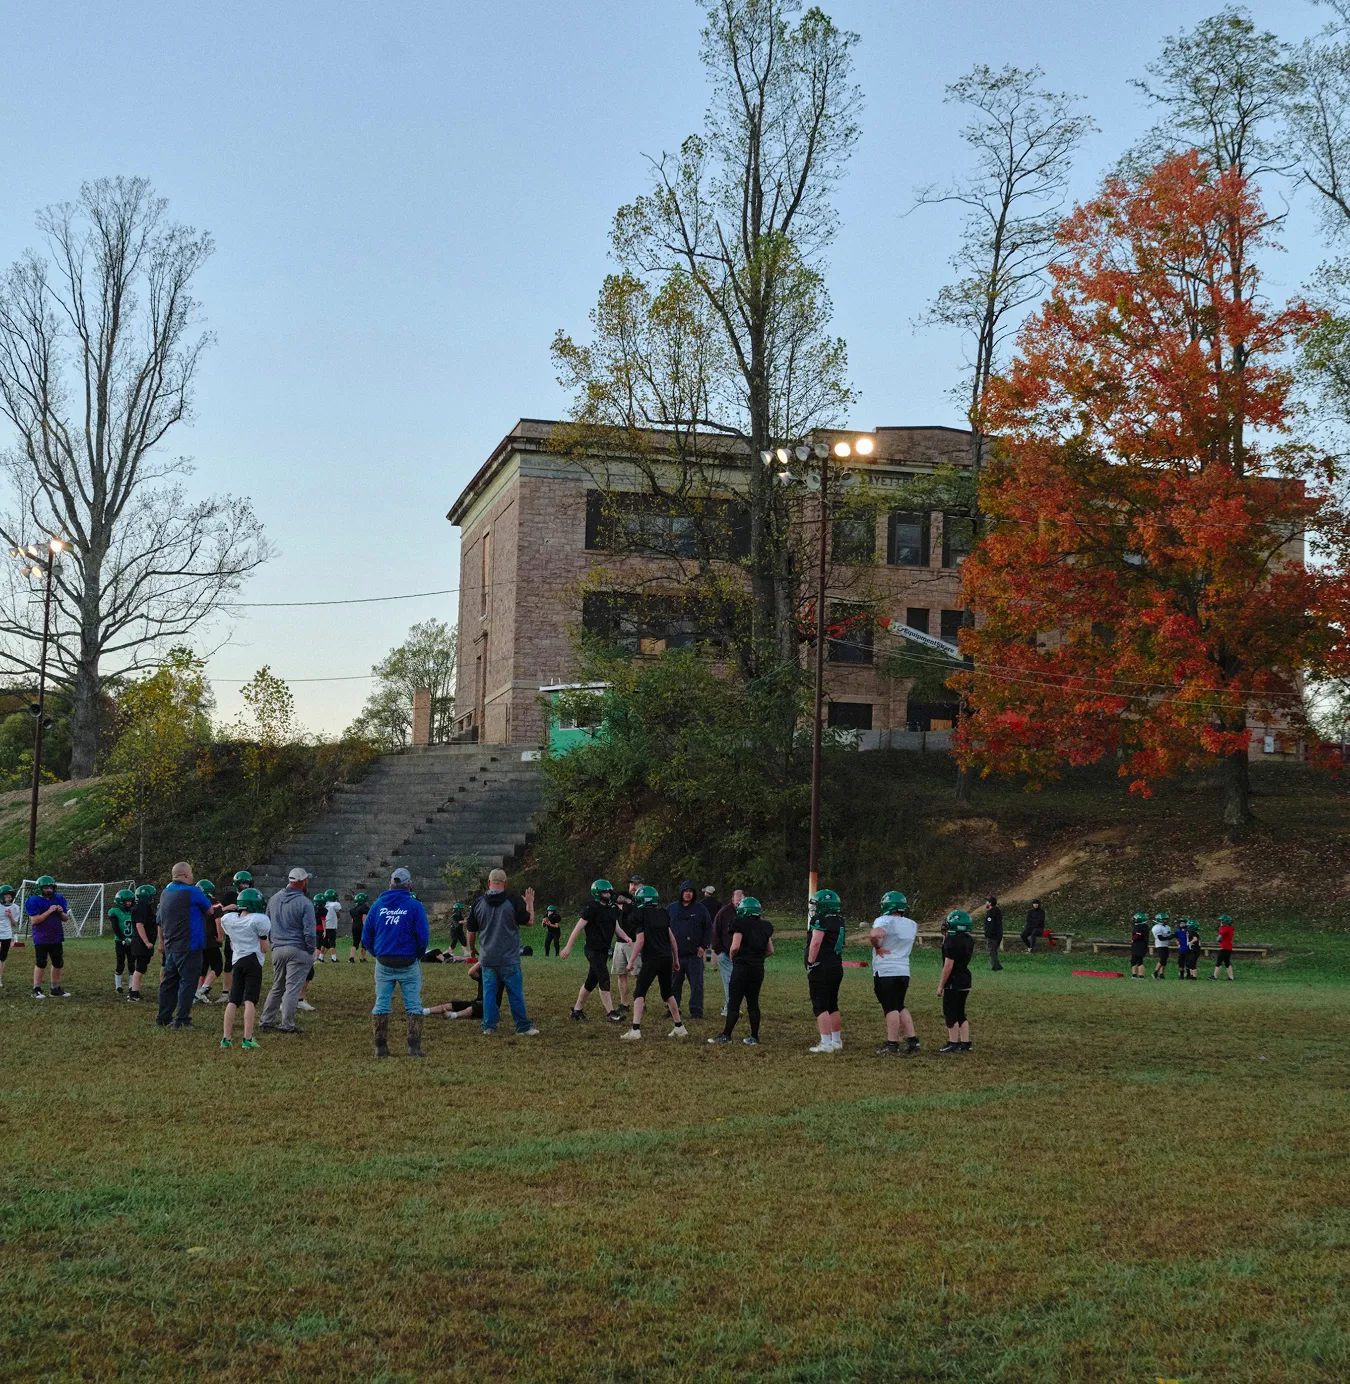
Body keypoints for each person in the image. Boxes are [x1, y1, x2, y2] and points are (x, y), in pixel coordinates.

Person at [361, 867, 431, 1057]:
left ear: (390, 884)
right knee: (414, 1005)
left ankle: (380, 1048)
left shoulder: (377, 906)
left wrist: (377, 953)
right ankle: (414, 1048)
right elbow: (423, 936)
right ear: (409, 885)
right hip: (408, 962)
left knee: (381, 1004)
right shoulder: (415, 906)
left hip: (383, 962)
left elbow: (366, 935)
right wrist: (417, 955)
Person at [467, 868, 538, 1036]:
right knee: (515, 994)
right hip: (509, 958)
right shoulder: (512, 900)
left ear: (489, 882)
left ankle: (489, 1026)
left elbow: (471, 931)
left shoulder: (478, 903)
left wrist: (471, 949)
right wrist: (530, 903)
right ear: (505, 883)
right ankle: (522, 1027)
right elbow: (529, 922)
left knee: (489, 994)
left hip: (488, 959)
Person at [621, 884, 686, 1041]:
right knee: (667, 993)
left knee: (639, 992)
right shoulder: (662, 913)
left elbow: (640, 940)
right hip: (666, 957)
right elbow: (672, 939)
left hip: (652, 958)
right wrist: (676, 959)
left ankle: (635, 1029)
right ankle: (679, 1026)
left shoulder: (640, 914)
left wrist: (630, 961)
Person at [708, 895, 774, 1046]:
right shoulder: (765, 926)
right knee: (753, 1002)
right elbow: (770, 950)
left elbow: (735, 946)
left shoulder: (739, 923)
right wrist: (756, 957)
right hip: (758, 969)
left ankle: (726, 1035)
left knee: (734, 1002)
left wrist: (733, 957)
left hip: (742, 968)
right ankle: (754, 1037)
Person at [561, 880, 629, 1022]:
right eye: (604, 892)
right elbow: (578, 928)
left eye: (608, 892)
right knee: (604, 978)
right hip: (593, 950)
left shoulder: (611, 908)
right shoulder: (591, 908)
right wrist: (568, 947)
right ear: (597, 893)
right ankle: (610, 1013)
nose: (607, 894)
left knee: (590, 982)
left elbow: (616, 927)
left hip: (603, 950)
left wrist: (626, 937)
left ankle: (577, 1011)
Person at [259, 867, 317, 1035]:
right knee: (292, 988)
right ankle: (287, 1024)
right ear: (303, 881)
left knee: (277, 986)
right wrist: (310, 950)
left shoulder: (275, 898)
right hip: (298, 949)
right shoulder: (305, 902)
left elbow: (266, 922)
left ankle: (266, 1020)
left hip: (278, 948)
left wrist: (274, 942)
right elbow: (309, 931)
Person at [155, 863, 213, 1028]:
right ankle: (182, 1020)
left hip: (171, 944)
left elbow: (159, 919)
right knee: (188, 982)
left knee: (169, 982)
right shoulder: (193, 891)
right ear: (186, 875)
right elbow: (209, 910)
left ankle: (163, 1017)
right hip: (190, 945)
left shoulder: (165, 893)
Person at [869, 890, 920, 1056]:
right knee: (900, 1005)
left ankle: (892, 1043)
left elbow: (876, 934)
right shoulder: (912, 924)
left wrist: (878, 947)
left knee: (890, 1007)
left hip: (886, 970)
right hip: (903, 969)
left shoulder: (884, 920)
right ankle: (912, 1040)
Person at [220, 888, 271, 1049]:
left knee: (233, 999)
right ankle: (247, 1038)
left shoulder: (230, 919)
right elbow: (264, 948)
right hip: (253, 960)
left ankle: (226, 1038)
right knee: (250, 1000)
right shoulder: (259, 920)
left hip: (237, 961)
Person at [805, 887, 846, 1053]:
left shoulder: (820, 919)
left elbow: (816, 942)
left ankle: (826, 1043)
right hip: (836, 965)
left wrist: (810, 962)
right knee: (832, 1004)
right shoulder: (839, 920)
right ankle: (836, 1040)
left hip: (821, 966)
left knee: (820, 1005)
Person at [668, 880, 712, 1020]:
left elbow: (708, 929)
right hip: (676, 954)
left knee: (697, 984)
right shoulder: (671, 909)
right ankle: (673, 1010)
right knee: (674, 984)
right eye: (685, 891)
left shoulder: (701, 909)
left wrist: (703, 946)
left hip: (694, 954)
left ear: (694, 893)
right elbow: (663, 928)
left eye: (690, 891)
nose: (688, 894)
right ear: (681, 892)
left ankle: (696, 1011)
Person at [937, 910, 975, 1053]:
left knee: (950, 1012)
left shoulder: (951, 941)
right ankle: (965, 1042)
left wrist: (941, 986)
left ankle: (953, 1042)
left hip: (953, 981)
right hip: (965, 980)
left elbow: (948, 966)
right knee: (961, 1012)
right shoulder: (968, 939)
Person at [28, 875, 71, 1000]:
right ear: (40, 888)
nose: (49, 890)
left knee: (58, 962)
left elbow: (65, 918)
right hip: (41, 937)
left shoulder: (59, 898)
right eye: (46, 888)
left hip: (56, 936)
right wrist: (49, 911)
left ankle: (55, 988)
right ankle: (36, 989)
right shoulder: (33, 900)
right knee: (41, 962)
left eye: (51, 887)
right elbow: (35, 920)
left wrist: (60, 912)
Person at [610, 875, 643, 1014]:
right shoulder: (624, 896)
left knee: (637, 974)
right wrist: (628, 900)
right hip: (619, 942)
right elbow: (613, 896)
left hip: (635, 941)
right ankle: (624, 1003)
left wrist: (631, 902)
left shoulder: (643, 901)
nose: (633, 887)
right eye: (631, 884)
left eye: (636, 884)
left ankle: (641, 1001)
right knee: (620, 973)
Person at [711, 889, 743, 1018]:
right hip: (725, 953)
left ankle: (730, 1005)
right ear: (732, 900)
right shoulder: (724, 913)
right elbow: (715, 931)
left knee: (737, 981)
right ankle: (730, 1007)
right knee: (729, 981)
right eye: (737, 902)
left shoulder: (746, 913)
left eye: (741, 902)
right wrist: (718, 951)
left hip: (740, 955)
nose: (739, 904)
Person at [194, 881, 225, 1005]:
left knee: (202, 968)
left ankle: (196, 993)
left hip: (197, 938)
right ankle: (203, 989)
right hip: (210, 939)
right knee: (217, 966)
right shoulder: (213, 902)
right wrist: (220, 936)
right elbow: (218, 921)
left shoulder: (194, 901)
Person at [128, 884, 158, 1002]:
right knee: (140, 967)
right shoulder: (141, 908)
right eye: (151, 896)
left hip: (141, 941)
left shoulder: (143, 907)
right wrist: (146, 942)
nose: (152, 899)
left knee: (141, 967)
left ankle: (134, 991)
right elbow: (139, 925)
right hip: (141, 942)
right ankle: (133, 993)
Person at [108, 888, 137, 995]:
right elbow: (115, 928)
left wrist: (133, 938)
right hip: (120, 941)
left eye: (130, 901)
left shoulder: (133, 911)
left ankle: (131, 986)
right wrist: (124, 938)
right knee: (120, 963)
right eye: (127, 901)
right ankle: (118, 986)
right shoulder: (114, 912)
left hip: (132, 941)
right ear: (121, 902)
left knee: (131, 963)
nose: (129, 903)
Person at [0, 883, 19, 989]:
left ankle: (0, 977)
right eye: (5, 896)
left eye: (9, 896)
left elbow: (14, 924)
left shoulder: (15, 908)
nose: (8, 898)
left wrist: (10, 916)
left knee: (2, 957)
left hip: (6, 935)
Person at [348, 891, 371, 962]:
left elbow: (353, 920)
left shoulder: (353, 910)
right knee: (364, 943)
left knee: (355, 942)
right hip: (362, 926)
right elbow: (364, 919)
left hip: (354, 926)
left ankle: (351, 958)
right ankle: (362, 958)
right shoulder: (364, 909)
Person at [1212, 913, 1236, 981]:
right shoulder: (1231, 928)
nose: (1221, 922)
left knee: (1219, 962)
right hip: (1229, 948)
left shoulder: (1225, 928)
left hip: (1224, 948)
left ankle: (1215, 976)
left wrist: (1221, 927)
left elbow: (1218, 939)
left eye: (1223, 921)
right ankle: (1231, 977)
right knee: (1227, 962)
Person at [983, 896, 1004, 971]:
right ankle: (998, 965)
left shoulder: (991, 913)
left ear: (990, 903)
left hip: (992, 936)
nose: (986, 903)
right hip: (999, 935)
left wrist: (987, 934)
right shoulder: (998, 911)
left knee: (991, 951)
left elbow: (990, 925)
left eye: (987, 902)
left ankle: (995, 966)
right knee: (994, 951)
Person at [1151, 912, 1173, 980]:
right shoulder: (1156, 927)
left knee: (1164, 960)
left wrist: (1172, 936)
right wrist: (1170, 937)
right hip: (1159, 945)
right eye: (1164, 919)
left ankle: (1161, 974)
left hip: (1166, 945)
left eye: (1166, 919)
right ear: (1160, 920)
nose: (1166, 920)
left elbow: (1168, 936)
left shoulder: (1167, 927)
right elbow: (1161, 938)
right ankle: (1155, 972)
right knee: (1162, 959)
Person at [1128, 911, 1150, 979]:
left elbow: (1138, 935)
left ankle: (1139, 976)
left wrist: (1132, 939)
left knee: (1137, 960)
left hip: (1138, 945)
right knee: (1136, 960)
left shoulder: (1139, 926)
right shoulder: (1145, 926)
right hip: (1143, 945)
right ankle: (1136, 975)